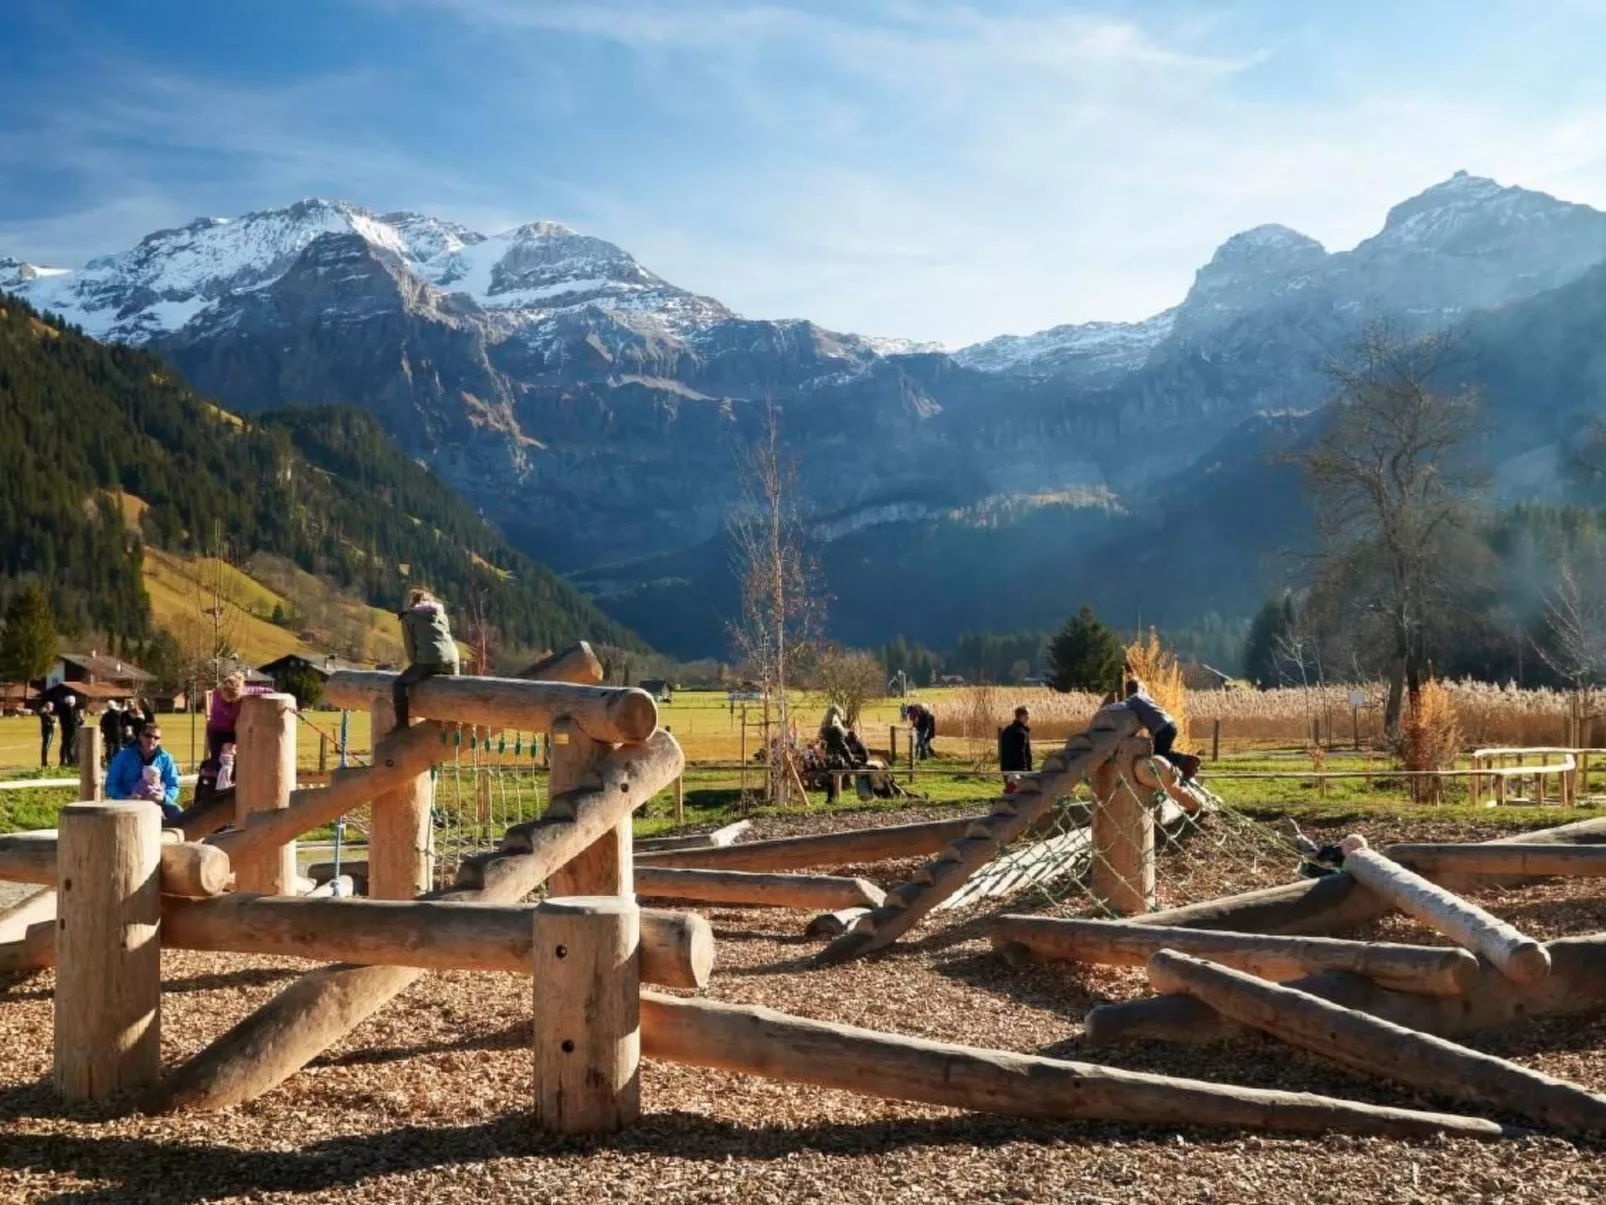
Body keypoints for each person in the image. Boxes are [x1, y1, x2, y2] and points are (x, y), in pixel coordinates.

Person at [395, 587, 460, 728]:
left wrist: (417, 667)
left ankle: (402, 725)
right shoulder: (442, 615)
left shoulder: (408, 617)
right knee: (453, 689)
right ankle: (453, 722)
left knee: (399, 684)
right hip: (452, 659)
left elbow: (410, 648)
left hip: (428, 660)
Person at [1118, 678, 1200, 782]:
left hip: (1162, 729)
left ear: (1127, 690)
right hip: (1170, 724)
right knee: (1164, 752)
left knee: (1159, 757)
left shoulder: (1131, 701)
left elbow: (1130, 720)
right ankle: (1186, 764)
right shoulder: (1144, 698)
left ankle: (1187, 763)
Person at [106, 722, 183, 823]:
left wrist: (163, 798)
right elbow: (111, 785)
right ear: (140, 737)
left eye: (156, 738)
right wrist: (125, 798)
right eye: (148, 736)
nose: (152, 740)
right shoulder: (123, 756)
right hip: (127, 803)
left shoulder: (166, 758)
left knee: (178, 814)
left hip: (156, 802)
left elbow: (173, 785)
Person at [207, 671, 268, 766]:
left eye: (232, 698)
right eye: (227, 696)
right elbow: (226, 712)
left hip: (230, 730)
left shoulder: (241, 693)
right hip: (216, 730)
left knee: (234, 756)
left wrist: (269, 691)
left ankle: (233, 776)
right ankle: (216, 775)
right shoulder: (217, 693)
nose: (228, 700)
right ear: (223, 690)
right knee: (216, 758)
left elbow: (255, 689)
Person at [999, 706, 1033, 774]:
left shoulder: (1007, 730)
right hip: (1019, 771)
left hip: (1006, 769)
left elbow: (1002, 752)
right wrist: (1025, 770)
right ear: (1022, 716)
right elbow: (1021, 754)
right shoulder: (1021, 733)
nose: (1028, 717)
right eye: (1027, 715)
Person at [99, 700, 125, 767]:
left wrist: (103, 733)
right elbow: (123, 724)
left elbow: (102, 725)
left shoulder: (106, 715)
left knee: (109, 749)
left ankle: (109, 763)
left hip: (109, 735)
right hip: (118, 734)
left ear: (108, 707)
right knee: (118, 749)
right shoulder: (119, 714)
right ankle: (118, 763)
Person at [58, 693, 80, 767]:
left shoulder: (62, 709)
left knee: (64, 745)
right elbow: (73, 721)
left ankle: (62, 761)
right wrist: (80, 722)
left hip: (64, 729)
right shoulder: (71, 710)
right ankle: (71, 763)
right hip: (72, 730)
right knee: (70, 746)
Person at [38, 701, 55, 768]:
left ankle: (45, 762)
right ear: (48, 707)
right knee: (46, 746)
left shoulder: (46, 713)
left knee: (46, 746)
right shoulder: (45, 713)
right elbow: (51, 721)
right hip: (47, 731)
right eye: (51, 706)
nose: (52, 708)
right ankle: (44, 763)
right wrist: (53, 723)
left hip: (48, 731)